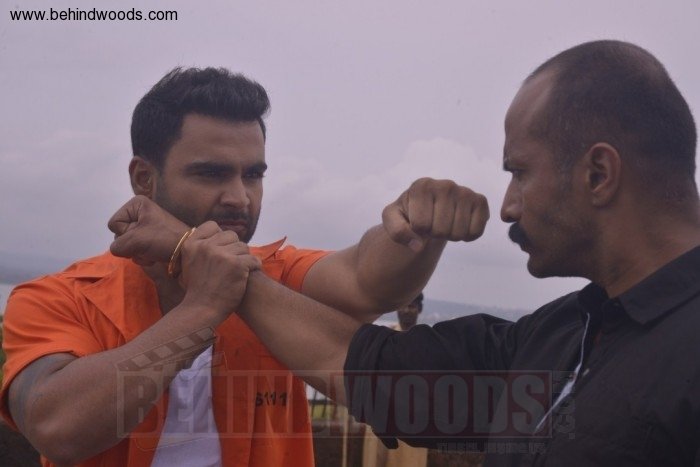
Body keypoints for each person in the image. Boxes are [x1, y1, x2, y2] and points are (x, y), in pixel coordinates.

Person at [107, 39, 700, 466]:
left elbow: (365, 293)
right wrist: (210, 263)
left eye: (519, 172)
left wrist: (192, 249)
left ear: (598, 173)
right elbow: (366, 366)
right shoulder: (559, 339)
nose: (509, 206)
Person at [0, 67, 489, 467]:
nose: (239, 197)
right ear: (144, 179)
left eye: (253, 174)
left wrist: (420, 226)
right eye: (211, 173)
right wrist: (203, 308)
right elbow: (56, 429)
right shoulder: (58, 298)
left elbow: (368, 282)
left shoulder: (274, 275)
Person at [362, 292, 428, 467]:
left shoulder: (427, 342)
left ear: (419, 309)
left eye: (411, 306)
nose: (406, 310)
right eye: (403, 305)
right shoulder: (384, 339)